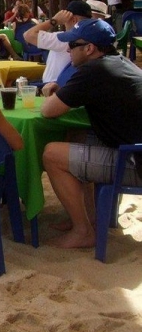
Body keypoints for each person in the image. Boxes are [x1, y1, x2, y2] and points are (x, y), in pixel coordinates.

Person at [41, 18, 142, 249]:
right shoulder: (120, 62)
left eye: (72, 45)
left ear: (89, 48)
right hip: (132, 150)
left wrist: (51, 93)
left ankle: (83, 231)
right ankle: (90, 218)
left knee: (52, 155)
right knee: (75, 135)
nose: (68, 50)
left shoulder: (93, 70)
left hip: (135, 162)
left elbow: (48, 111)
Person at [23, 0, 92, 96]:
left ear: (73, 20)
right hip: (69, 85)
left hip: (52, 88)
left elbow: (28, 35)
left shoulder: (63, 39)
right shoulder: (90, 38)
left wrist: (54, 20)